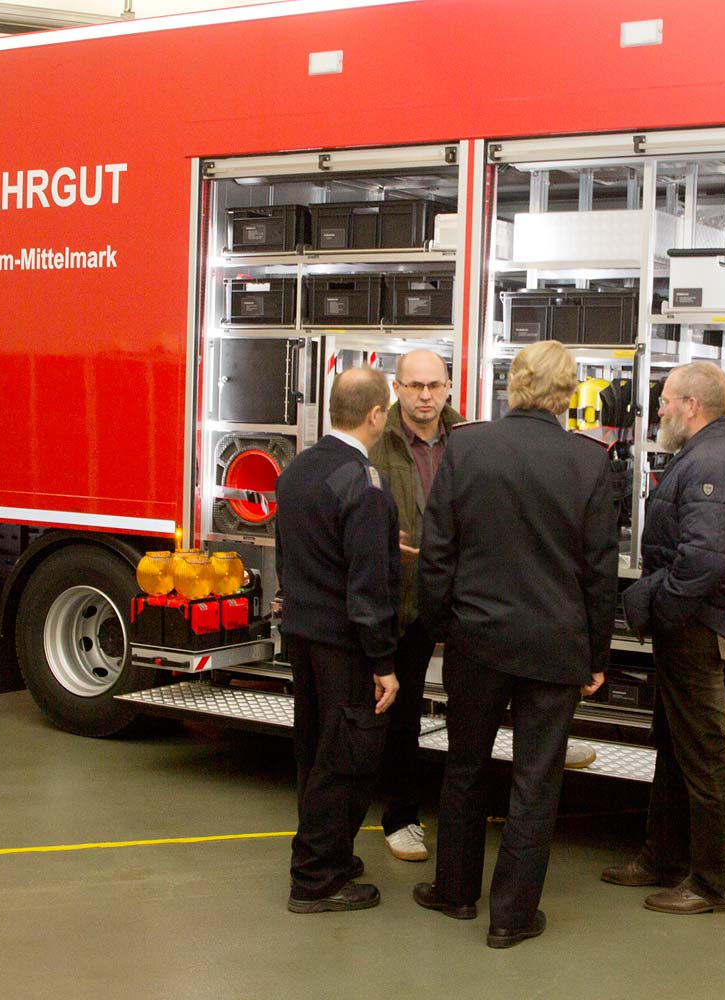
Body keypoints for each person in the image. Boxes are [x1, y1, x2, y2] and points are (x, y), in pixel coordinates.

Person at [414, 340, 617, 948]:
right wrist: (596, 656)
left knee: (465, 765)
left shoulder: (467, 446)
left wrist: (440, 626)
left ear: (514, 384)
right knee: (537, 778)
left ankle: (455, 892)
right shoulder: (589, 461)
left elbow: (438, 551)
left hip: (477, 639)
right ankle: (512, 916)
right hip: (555, 646)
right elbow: (598, 571)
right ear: (568, 393)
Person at [602, 361, 725, 915]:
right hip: (696, 620)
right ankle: (663, 857)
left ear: (691, 406)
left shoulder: (712, 464)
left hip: (697, 625)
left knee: (703, 754)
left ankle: (714, 883)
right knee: (676, 746)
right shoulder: (712, 455)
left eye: (665, 401)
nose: (658, 411)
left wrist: (662, 610)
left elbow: (702, 561)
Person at [275, 367, 401, 913]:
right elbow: (368, 585)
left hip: (303, 635)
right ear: (375, 415)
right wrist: (383, 661)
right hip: (345, 644)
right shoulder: (363, 482)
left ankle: (331, 856)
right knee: (345, 758)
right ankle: (316, 879)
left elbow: (295, 554)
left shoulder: (297, 470)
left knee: (314, 752)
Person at [367, 349, 465, 863]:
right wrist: (383, 542)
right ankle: (401, 817)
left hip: (460, 598)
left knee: (470, 706)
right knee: (400, 714)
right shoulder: (375, 442)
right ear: (397, 388)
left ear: (448, 387)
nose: (425, 396)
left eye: (434, 385)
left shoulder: (469, 440)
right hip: (401, 599)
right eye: (414, 386)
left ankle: (461, 813)